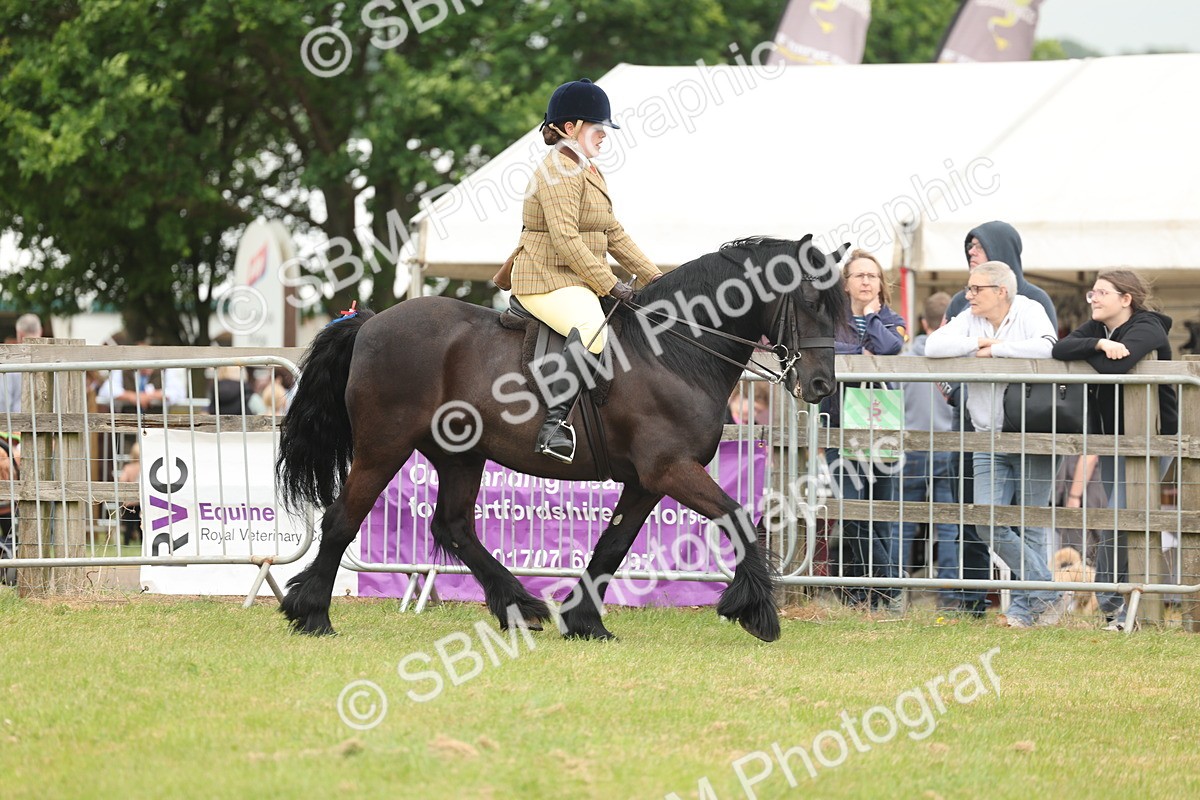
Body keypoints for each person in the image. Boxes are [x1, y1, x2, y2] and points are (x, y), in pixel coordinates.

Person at [507, 78, 663, 464]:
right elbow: (565, 240)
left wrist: (656, 280)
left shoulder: (587, 169)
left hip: (575, 278)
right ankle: (553, 426)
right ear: (569, 127)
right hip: (545, 278)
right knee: (594, 327)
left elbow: (613, 233)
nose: (604, 135)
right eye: (598, 128)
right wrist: (611, 285)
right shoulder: (556, 171)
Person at [926, 260, 1062, 628]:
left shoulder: (1031, 310)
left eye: (976, 289)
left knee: (1030, 524)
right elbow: (933, 346)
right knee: (987, 520)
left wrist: (999, 351)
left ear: (1000, 291)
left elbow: (1049, 348)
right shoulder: (970, 319)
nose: (968, 295)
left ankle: (1023, 612)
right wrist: (980, 342)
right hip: (986, 436)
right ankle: (1048, 589)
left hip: (1031, 436)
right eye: (969, 288)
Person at [1051, 269, 1177, 630]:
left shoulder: (1149, 326)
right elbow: (1059, 348)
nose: (1094, 299)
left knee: (1123, 515)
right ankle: (1115, 604)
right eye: (1092, 293)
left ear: (1126, 299)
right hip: (1112, 440)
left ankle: (1118, 604)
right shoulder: (1097, 330)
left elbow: (1113, 368)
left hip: (1152, 439)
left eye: (1102, 292)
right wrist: (1098, 344)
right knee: (1116, 517)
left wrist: (1099, 352)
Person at [822, 249, 905, 610]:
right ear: (845, 284)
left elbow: (892, 346)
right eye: (859, 276)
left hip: (883, 427)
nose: (867, 282)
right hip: (840, 426)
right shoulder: (829, 318)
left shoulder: (891, 318)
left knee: (882, 512)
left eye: (872, 276)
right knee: (854, 510)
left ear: (880, 283)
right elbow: (829, 349)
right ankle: (887, 582)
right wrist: (860, 350)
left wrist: (872, 321)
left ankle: (873, 596)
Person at [899, 292, 962, 611]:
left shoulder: (905, 355)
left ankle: (896, 595)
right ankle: (949, 600)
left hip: (909, 447)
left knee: (902, 523)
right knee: (949, 525)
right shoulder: (955, 358)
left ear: (924, 322)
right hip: (948, 445)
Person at [1, 313, 43, 415]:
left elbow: (3, 401)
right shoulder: (55, 359)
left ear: (19, 334)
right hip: (55, 425)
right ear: (41, 331)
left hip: (17, 425)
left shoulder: (10, 362)